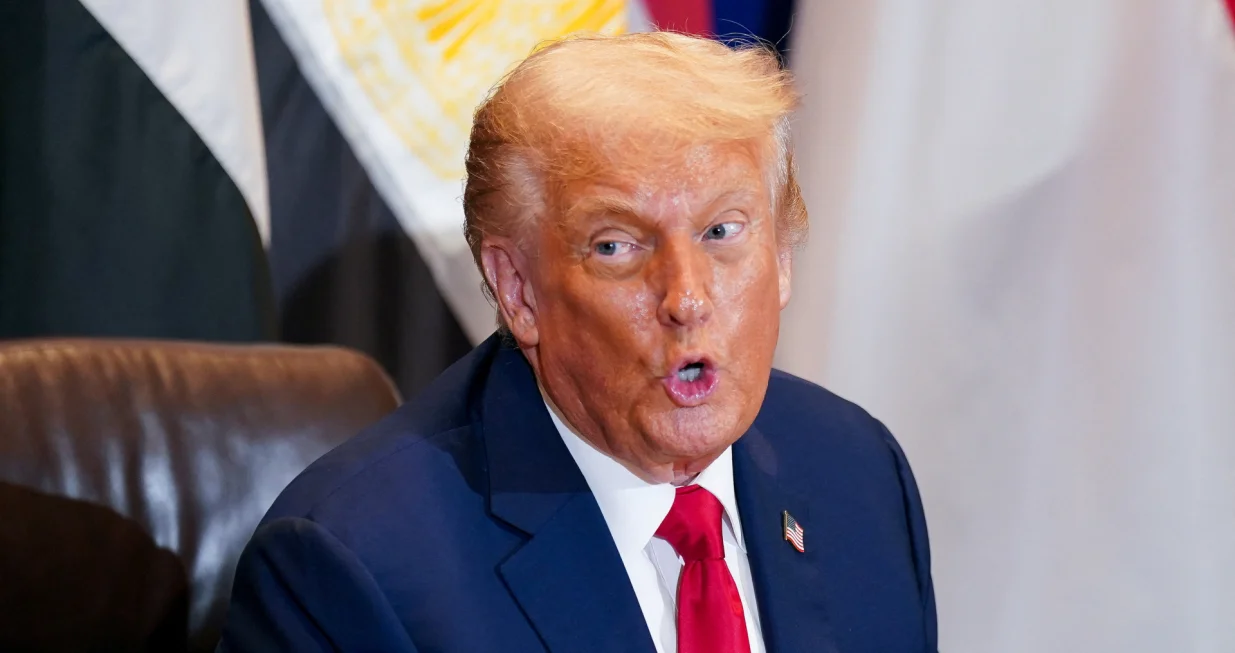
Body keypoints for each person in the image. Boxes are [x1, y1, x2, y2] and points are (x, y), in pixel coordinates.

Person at [217, 31, 936, 653]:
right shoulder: (352, 568)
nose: (685, 298)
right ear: (518, 290)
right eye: (617, 245)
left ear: (780, 255)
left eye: (722, 232)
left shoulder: (856, 472)